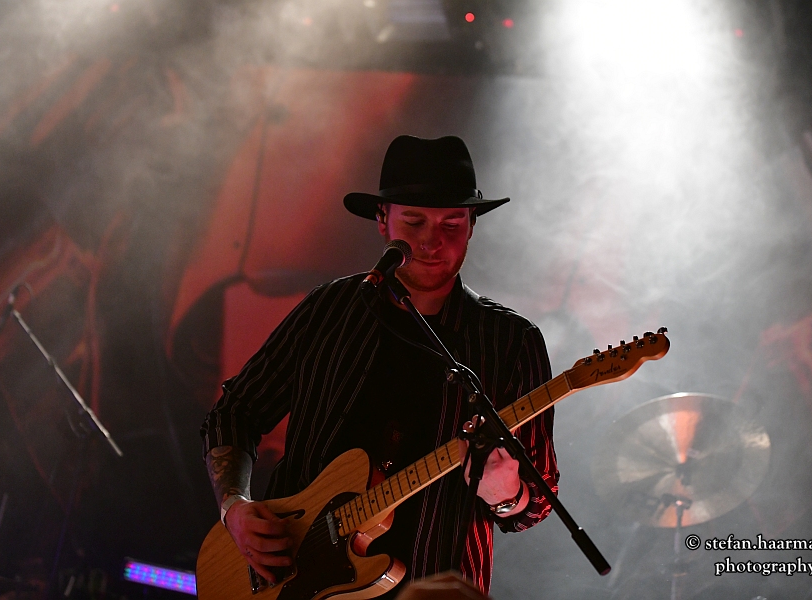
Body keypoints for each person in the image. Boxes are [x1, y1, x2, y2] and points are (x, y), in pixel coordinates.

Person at [200, 135, 558, 597]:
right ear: (382, 220)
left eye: (452, 223)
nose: (432, 240)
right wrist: (234, 506)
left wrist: (504, 492)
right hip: (290, 581)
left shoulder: (511, 341)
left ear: (472, 226)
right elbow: (235, 412)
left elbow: (536, 503)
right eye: (414, 221)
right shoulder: (332, 308)